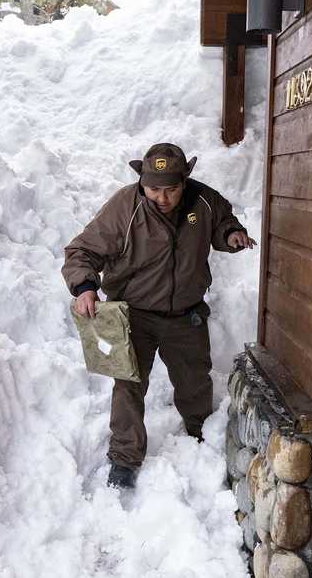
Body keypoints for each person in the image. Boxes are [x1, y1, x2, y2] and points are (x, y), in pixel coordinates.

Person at [62, 143, 256, 489]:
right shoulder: (125, 207)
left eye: (170, 190)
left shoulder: (204, 201)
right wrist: (85, 287)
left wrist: (231, 235)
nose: (161, 198)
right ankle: (124, 458)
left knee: (195, 381)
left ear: (185, 181)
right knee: (128, 387)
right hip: (133, 315)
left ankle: (202, 436)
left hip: (185, 315)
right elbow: (83, 250)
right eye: (153, 190)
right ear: (142, 183)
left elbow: (223, 223)